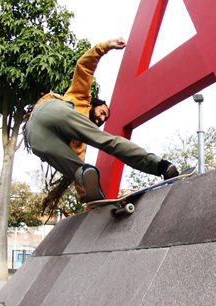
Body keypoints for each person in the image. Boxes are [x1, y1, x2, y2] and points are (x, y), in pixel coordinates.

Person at [24, 37, 179, 203]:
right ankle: (161, 166)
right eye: (102, 112)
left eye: (104, 118)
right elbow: (84, 66)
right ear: (94, 104)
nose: (101, 118)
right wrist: (105, 46)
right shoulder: (80, 96)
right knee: (108, 142)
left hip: (33, 134)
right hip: (52, 108)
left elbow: (78, 177)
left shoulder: (78, 145)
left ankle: (85, 173)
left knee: (76, 168)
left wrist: (91, 200)